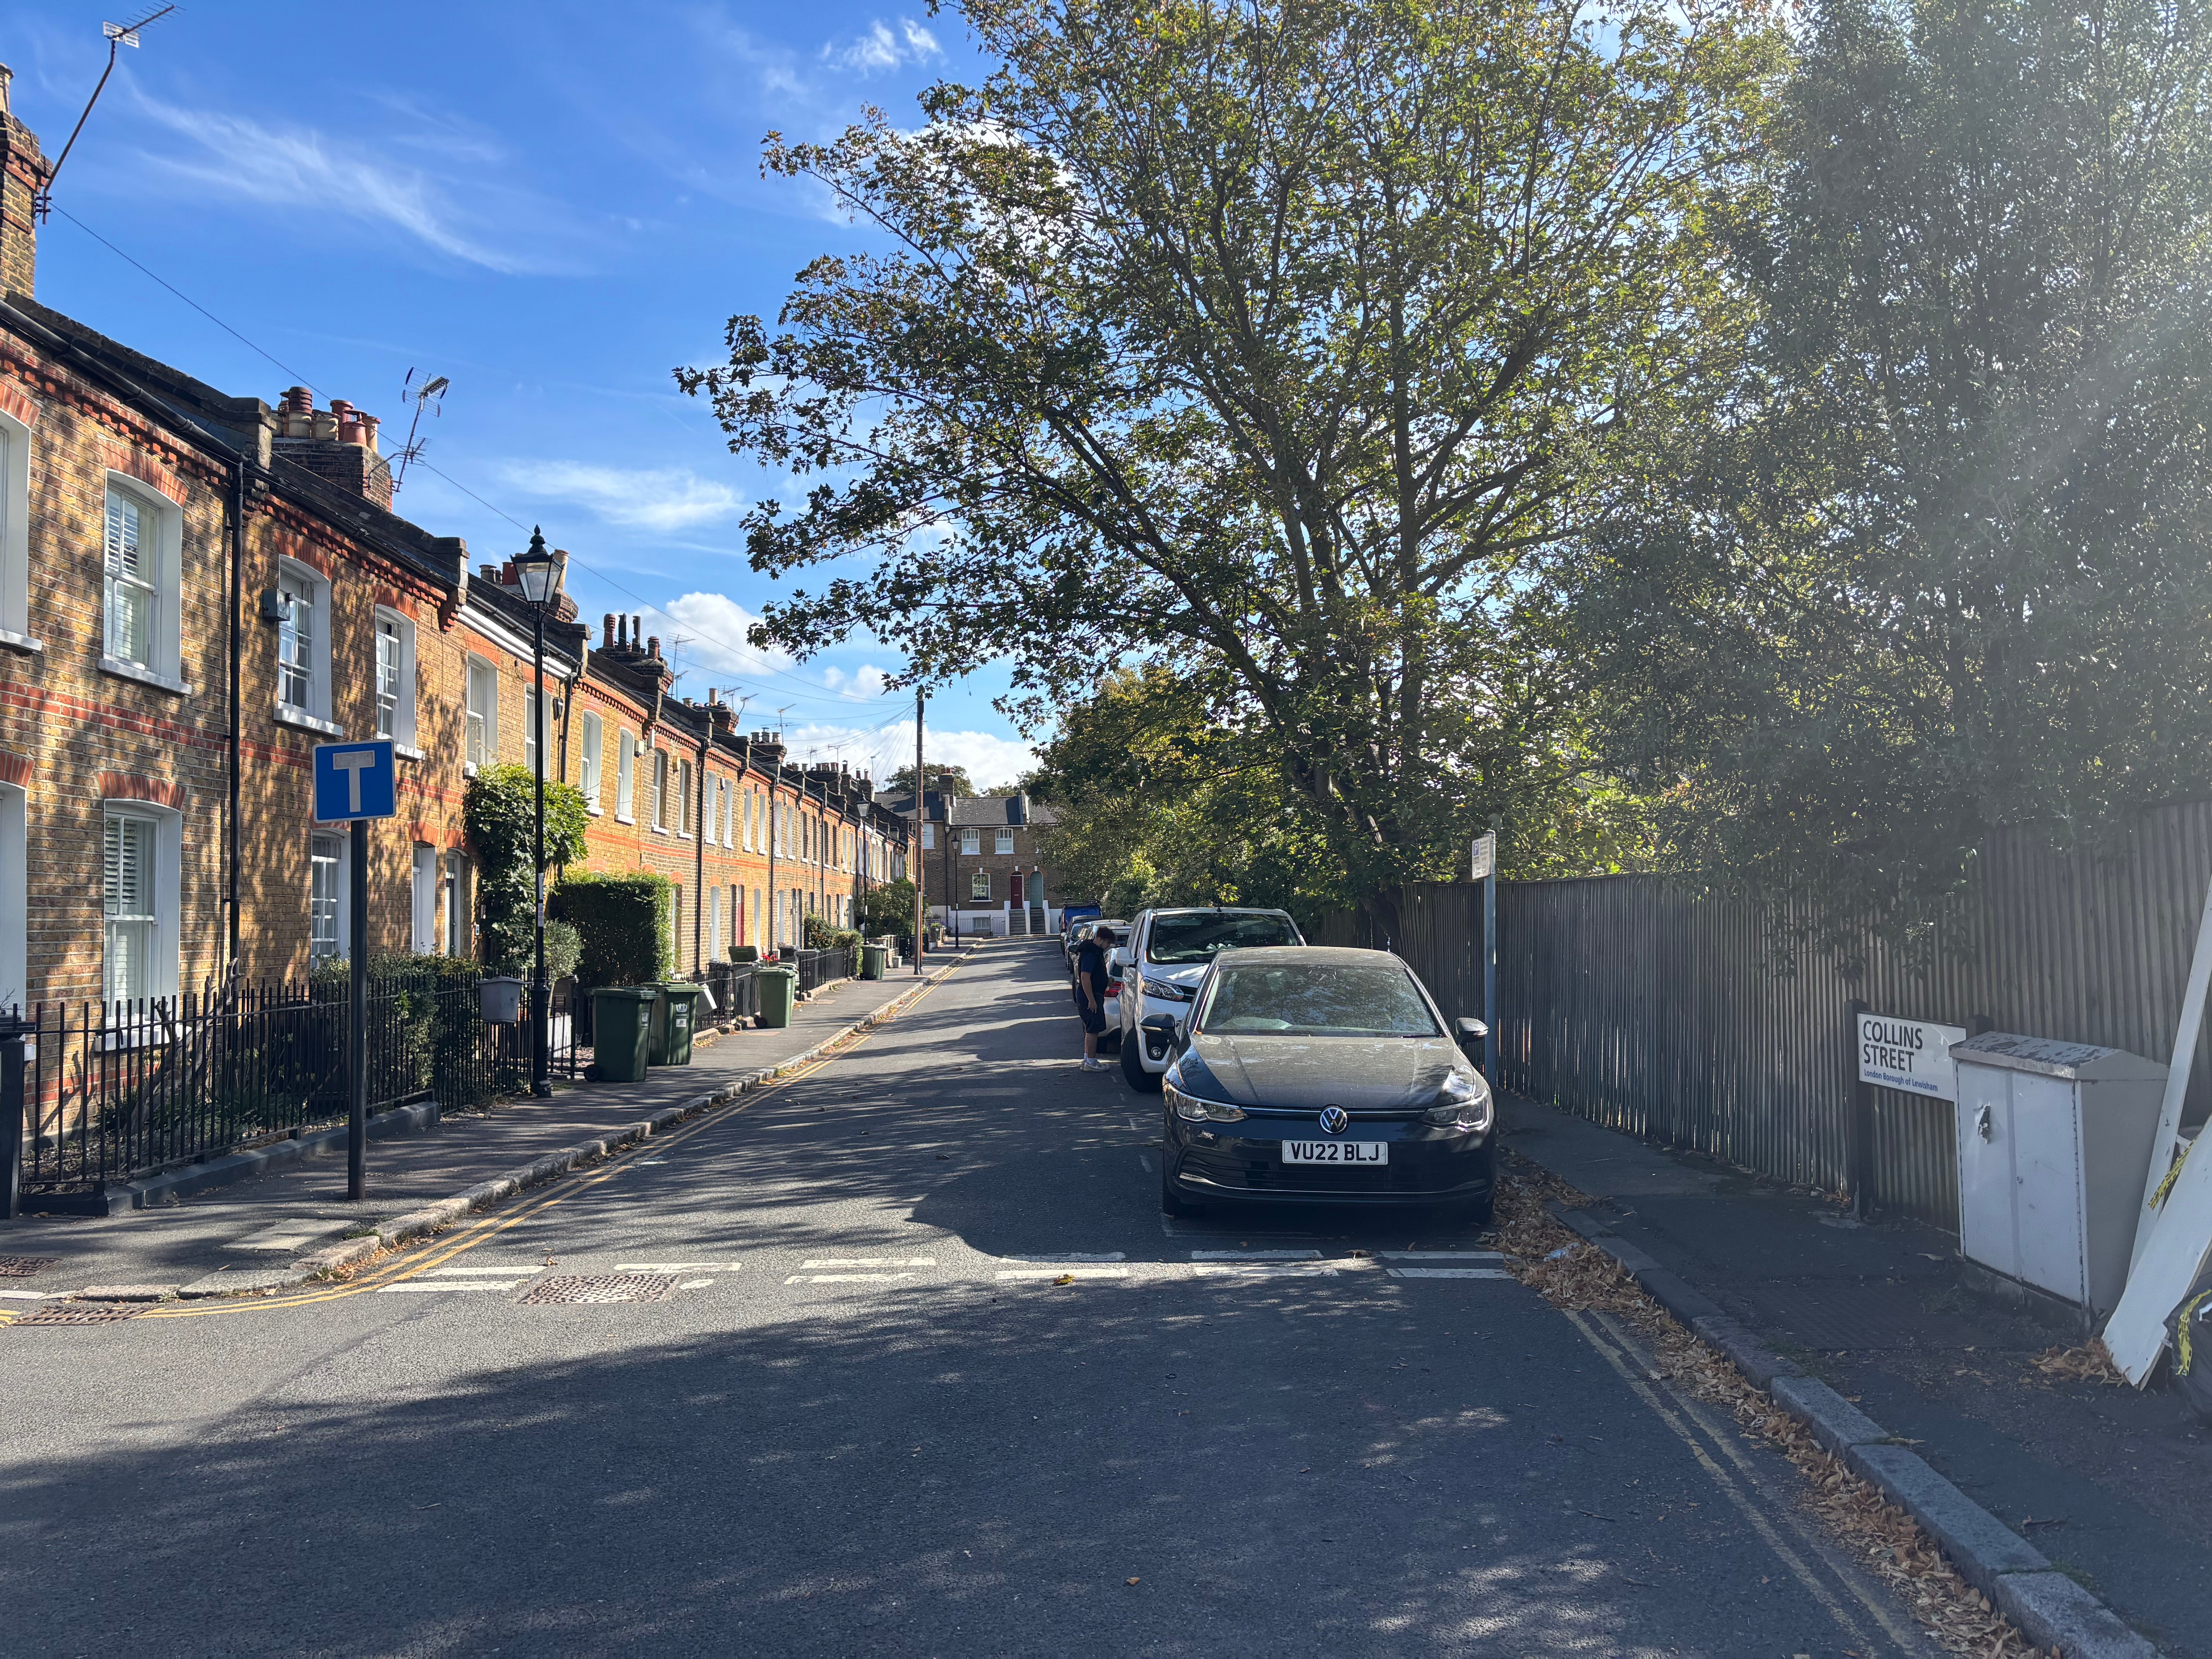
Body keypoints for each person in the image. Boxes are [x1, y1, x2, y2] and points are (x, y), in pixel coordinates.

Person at [1074, 922, 1116, 1071]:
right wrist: (1091, 1000)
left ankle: (1087, 1059)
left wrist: (1106, 980)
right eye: (1108, 943)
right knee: (1094, 1029)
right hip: (1090, 995)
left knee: (1091, 1028)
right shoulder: (1091, 953)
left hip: (1091, 994)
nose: (1108, 946)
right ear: (1100, 939)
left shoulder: (1092, 952)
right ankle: (1091, 1062)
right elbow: (1085, 977)